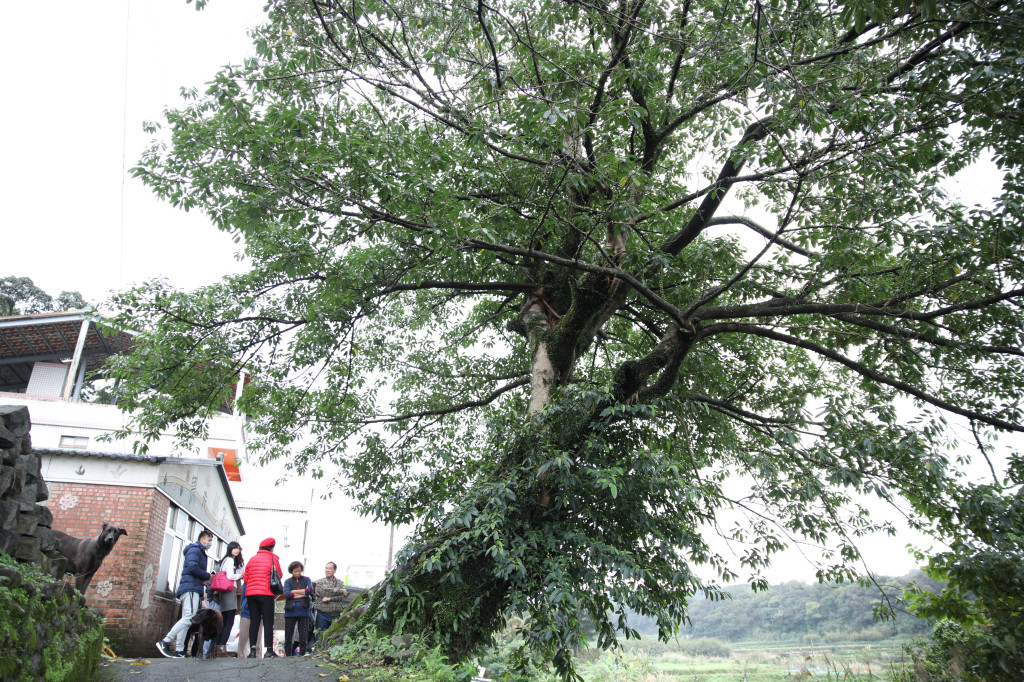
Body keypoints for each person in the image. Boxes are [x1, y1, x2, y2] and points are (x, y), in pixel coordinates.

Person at [156, 529, 213, 658]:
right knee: (189, 617)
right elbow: (192, 567)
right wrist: (207, 575)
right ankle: (165, 641)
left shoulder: (197, 550)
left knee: (186, 618)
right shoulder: (195, 550)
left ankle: (180, 650)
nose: (210, 543)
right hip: (190, 587)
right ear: (202, 539)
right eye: (209, 540)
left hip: (191, 586)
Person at [242, 537, 283, 658]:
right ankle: (269, 650)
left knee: (254, 621)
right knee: (268, 621)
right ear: (272, 547)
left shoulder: (252, 559)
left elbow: (246, 579)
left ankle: (253, 650)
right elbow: (278, 575)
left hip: (251, 594)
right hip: (266, 594)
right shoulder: (273, 558)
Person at [212, 541, 245, 656]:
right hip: (229, 591)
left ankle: (216, 649)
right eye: (235, 548)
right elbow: (230, 576)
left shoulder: (224, 560)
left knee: (225, 622)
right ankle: (221, 649)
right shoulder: (230, 560)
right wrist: (241, 575)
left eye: (238, 548)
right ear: (230, 548)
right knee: (229, 622)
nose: (237, 550)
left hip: (223, 592)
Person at [283, 560, 314, 656]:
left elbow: (309, 590)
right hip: (290, 611)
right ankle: (288, 655)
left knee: (303, 636)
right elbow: (288, 594)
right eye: (295, 571)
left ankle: (302, 655)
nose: (297, 573)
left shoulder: (306, 579)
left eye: (299, 571)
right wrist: (303, 593)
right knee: (288, 636)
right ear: (291, 572)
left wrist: (295, 592)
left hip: (304, 610)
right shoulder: (287, 581)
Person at [313, 561, 349, 635]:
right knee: (320, 636)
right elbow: (324, 592)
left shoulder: (340, 582)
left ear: (334, 570)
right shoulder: (320, 582)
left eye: (329, 568)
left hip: (336, 615)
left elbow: (343, 596)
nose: (327, 570)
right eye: (326, 568)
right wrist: (341, 591)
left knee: (334, 638)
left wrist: (330, 599)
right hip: (322, 615)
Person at [235, 583, 263, 659]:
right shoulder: (247, 583)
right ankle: (241, 657)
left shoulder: (263, 582)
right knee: (243, 637)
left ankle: (258, 656)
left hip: (259, 614)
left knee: (258, 638)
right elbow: (243, 597)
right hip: (246, 613)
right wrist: (243, 608)